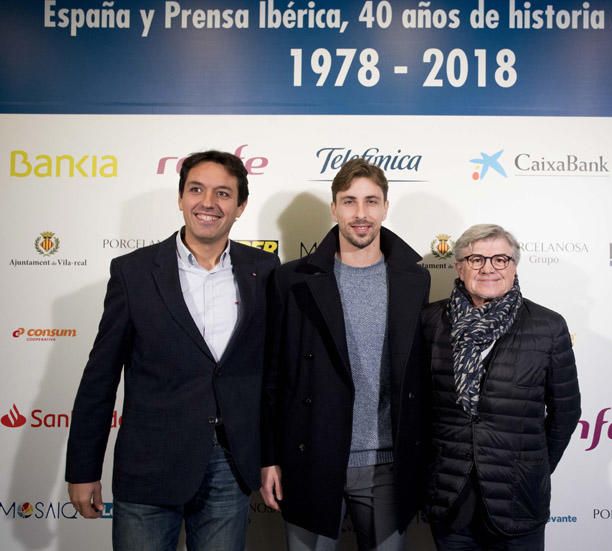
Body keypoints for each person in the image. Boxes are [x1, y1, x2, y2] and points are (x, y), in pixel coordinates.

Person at [65, 150, 279, 550]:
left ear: (240, 206)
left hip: (230, 465)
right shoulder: (133, 272)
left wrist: (271, 455)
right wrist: (83, 468)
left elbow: (270, 376)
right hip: (149, 465)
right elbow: (100, 376)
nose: (208, 203)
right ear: (181, 198)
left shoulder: (264, 270)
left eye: (223, 193)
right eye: (196, 190)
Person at [260, 158, 431, 551]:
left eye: (371, 201)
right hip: (311, 458)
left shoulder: (414, 278)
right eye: (349, 201)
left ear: (386, 207)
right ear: (334, 207)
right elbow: (274, 375)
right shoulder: (292, 280)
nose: (360, 214)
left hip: (388, 465)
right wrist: (269, 458)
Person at [422, 224, 581, 551]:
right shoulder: (429, 322)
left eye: (500, 259)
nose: (489, 268)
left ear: (514, 266)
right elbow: (417, 406)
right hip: (450, 496)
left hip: (517, 499)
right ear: (459, 266)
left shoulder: (548, 326)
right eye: (476, 258)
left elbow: (566, 412)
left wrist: (530, 467)